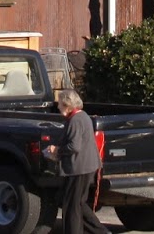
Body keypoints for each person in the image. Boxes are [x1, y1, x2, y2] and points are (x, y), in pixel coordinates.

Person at [46, 89, 109, 234]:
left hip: (79, 168)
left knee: (71, 205)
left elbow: (74, 146)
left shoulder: (76, 120)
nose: (58, 107)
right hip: (85, 167)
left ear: (68, 105)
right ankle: (100, 231)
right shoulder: (82, 117)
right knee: (77, 203)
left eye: (60, 104)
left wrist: (57, 150)